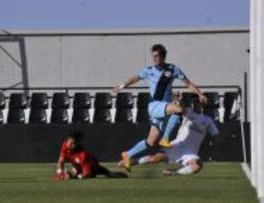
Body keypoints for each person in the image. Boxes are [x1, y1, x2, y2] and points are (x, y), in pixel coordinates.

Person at [113, 44, 207, 172]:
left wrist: (200, 94)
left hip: (164, 108)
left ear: (163, 56)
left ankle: (127, 154)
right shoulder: (149, 70)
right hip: (154, 105)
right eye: (153, 56)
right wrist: (121, 86)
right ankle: (165, 139)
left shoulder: (173, 69)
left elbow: (188, 83)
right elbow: (135, 78)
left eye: (157, 56)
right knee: (179, 109)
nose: (154, 59)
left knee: (151, 141)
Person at [119, 98, 219, 176]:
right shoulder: (189, 112)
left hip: (190, 152)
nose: (197, 104)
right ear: (193, 104)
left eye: (199, 103)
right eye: (195, 102)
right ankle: (133, 162)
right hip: (177, 145)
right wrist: (179, 100)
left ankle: (173, 172)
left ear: (202, 105)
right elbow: (182, 109)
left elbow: (215, 134)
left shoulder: (207, 120)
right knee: (155, 159)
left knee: (197, 166)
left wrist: (214, 140)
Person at [54, 131, 128, 180]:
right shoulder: (65, 145)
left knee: (109, 174)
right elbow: (61, 160)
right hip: (79, 167)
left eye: (72, 143)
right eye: (68, 141)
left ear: (77, 144)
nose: (69, 144)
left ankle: (121, 175)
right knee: (73, 171)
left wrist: (73, 177)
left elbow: (87, 174)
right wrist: (59, 172)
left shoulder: (82, 155)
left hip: (93, 168)